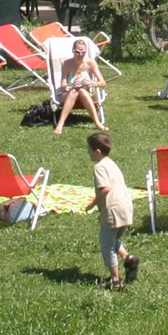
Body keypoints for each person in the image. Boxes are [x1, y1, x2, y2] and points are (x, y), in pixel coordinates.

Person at [85, 132, 138, 290]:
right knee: (113, 240)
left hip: (113, 210)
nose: (88, 152)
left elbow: (105, 188)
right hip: (125, 207)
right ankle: (129, 258)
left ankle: (115, 281)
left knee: (107, 245)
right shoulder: (112, 163)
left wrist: (92, 204)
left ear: (97, 152)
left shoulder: (99, 167)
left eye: (89, 149)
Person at [53, 37, 108, 134]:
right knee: (74, 92)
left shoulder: (90, 63)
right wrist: (72, 84)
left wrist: (93, 83)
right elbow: (63, 86)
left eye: (83, 52)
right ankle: (60, 124)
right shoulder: (67, 63)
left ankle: (97, 123)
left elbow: (103, 82)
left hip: (86, 94)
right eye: (77, 52)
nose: (80, 54)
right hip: (69, 94)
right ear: (73, 51)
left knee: (82, 91)